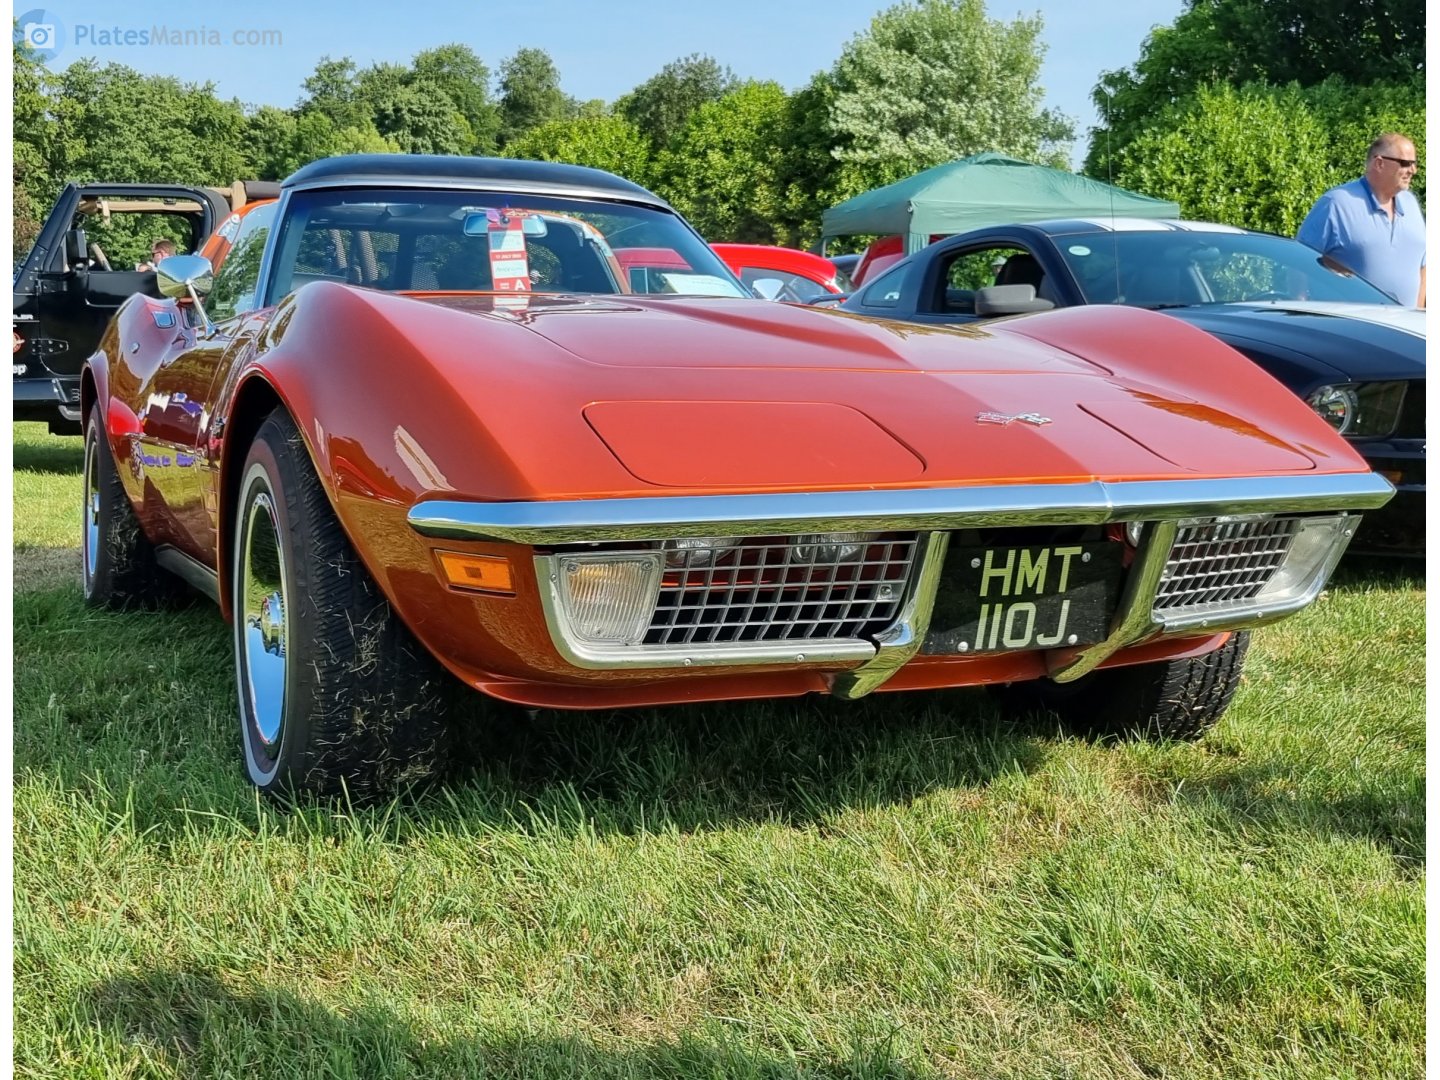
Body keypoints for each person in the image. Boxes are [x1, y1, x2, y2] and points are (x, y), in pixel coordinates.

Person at [1297, 133, 1426, 307]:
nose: (1413, 170)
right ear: (1379, 163)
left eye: (1414, 163)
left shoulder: (1410, 204)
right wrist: (1300, 311)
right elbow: (1299, 262)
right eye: (1405, 163)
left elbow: (1423, 265)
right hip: (1349, 328)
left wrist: (1417, 314)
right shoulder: (1337, 204)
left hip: (1403, 328)